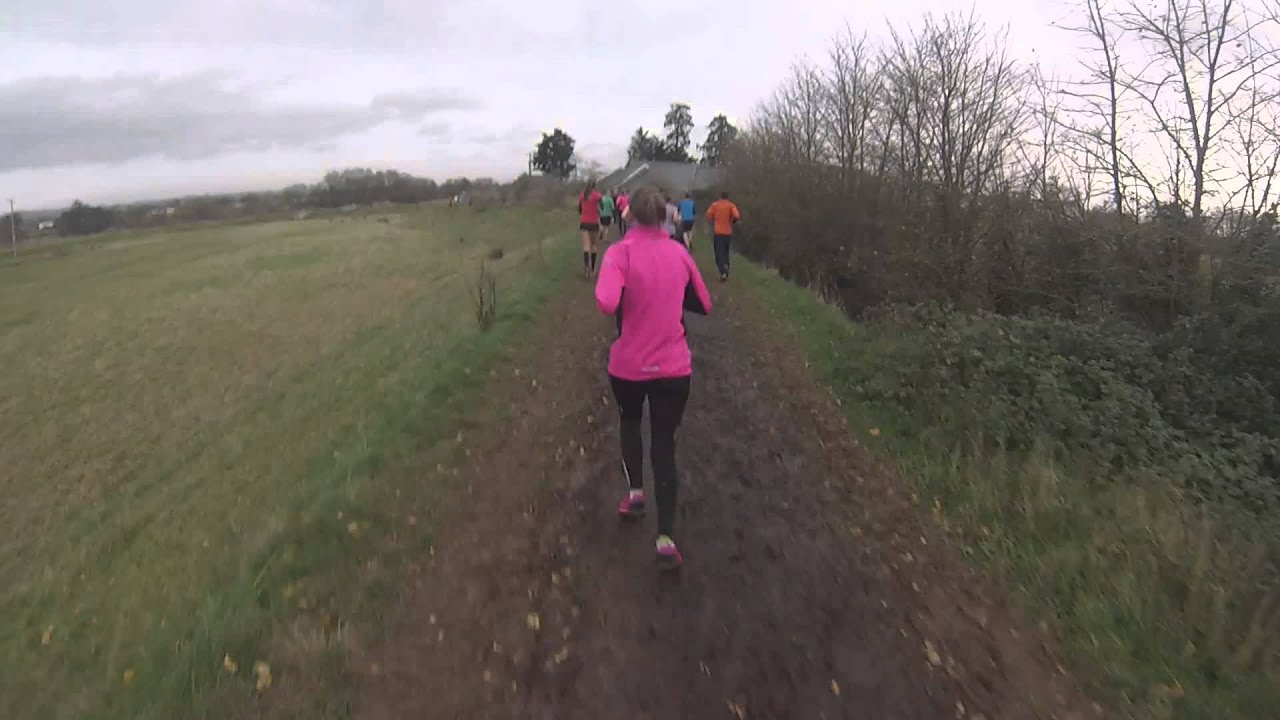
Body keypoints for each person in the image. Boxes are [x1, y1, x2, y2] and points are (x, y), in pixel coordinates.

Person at [595, 186, 712, 571]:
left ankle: (635, 495)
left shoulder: (619, 253)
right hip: (674, 369)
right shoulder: (679, 252)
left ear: (628, 216)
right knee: (665, 446)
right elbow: (706, 304)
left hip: (628, 367)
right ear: (666, 215)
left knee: (630, 423)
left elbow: (607, 302)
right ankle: (665, 540)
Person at [705, 191, 741, 281]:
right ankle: (726, 267)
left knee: (718, 254)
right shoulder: (731, 205)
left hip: (718, 232)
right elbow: (737, 216)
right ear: (728, 197)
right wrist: (732, 221)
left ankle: (723, 272)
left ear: (720, 197)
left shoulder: (715, 205)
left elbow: (708, 215)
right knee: (725, 252)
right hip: (728, 233)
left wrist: (715, 219)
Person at [578, 180, 603, 277]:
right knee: (593, 246)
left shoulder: (582, 195)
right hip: (594, 223)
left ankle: (586, 267)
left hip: (584, 223)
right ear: (594, 186)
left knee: (586, 246)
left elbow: (580, 209)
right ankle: (592, 269)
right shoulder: (597, 195)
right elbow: (602, 206)